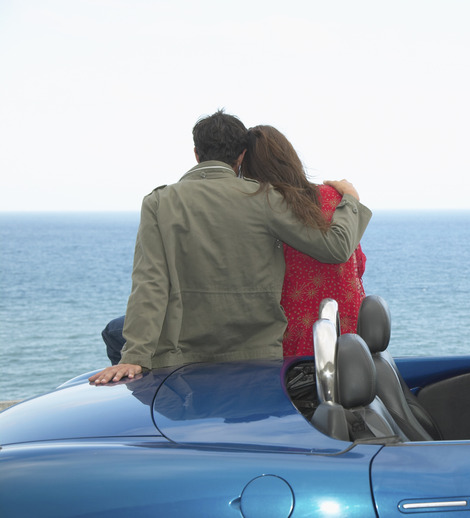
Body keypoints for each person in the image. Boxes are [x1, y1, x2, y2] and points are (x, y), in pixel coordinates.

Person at [90, 110, 371, 384]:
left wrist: (135, 356)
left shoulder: (158, 203)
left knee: (114, 331)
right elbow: (335, 248)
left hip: (182, 350)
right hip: (256, 350)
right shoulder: (264, 198)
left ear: (196, 154)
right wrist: (350, 201)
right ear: (240, 157)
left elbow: (150, 283)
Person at [242, 125, 366, 356]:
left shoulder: (261, 208)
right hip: (348, 331)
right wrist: (350, 197)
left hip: (292, 335)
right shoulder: (335, 197)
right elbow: (359, 264)